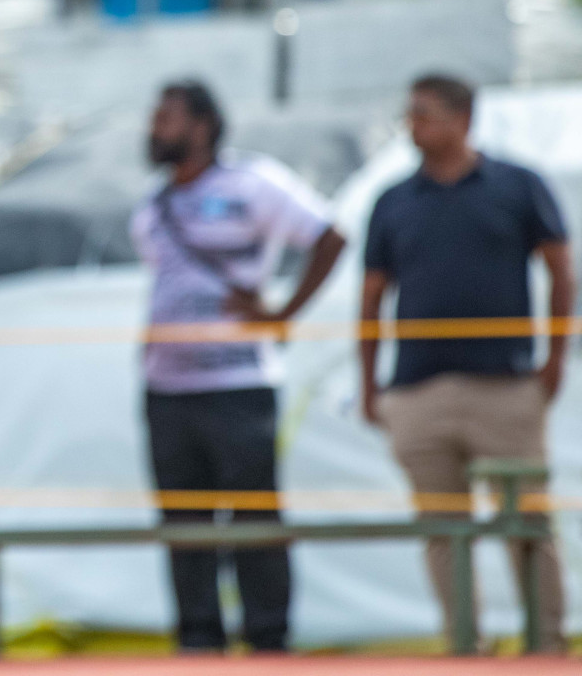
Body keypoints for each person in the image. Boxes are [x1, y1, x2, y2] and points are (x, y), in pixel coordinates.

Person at [359, 74, 572, 653]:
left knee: (525, 523)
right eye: (411, 114)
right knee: (442, 529)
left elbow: (560, 270)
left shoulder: (516, 185)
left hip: (503, 385)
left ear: (462, 118)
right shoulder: (394, 200)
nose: (414, 126)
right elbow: (372, 295)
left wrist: (554, 359)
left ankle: (545, 645)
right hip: (418, 390)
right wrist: (370, 385)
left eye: (424, 114)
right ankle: (463, 646)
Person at [131, 81, 345, 653]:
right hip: (167, 390)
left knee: (256, 522)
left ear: (202, 127)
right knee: (183, 527)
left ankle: (269, 643)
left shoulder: (254, 184)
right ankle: (198, 644)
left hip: (239, 386)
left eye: (166, 116)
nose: (154, 127)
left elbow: (330, 236)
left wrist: (284, 313)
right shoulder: (152, 206)